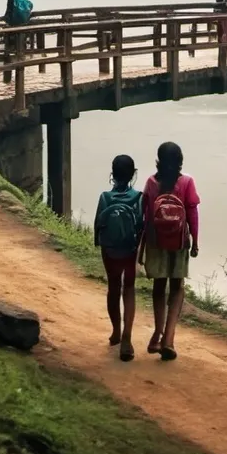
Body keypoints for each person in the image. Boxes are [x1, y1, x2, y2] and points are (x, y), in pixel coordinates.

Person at [139, 141, 199, 361]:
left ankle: (157, 333)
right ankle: (169, 339)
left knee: (159, 286)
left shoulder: (151, 183)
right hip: (179, 241)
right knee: (177, 287)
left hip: (157, 241)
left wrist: (144, 243)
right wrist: (196, 242)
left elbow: (145, 216)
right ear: (180, 160)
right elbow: (192, 214)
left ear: (159, 160)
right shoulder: (187, 182)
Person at [93, 154, 143, 362]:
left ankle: (115, 331)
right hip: (129, 250)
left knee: (113, 287)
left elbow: (98, 227)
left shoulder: (105, 197)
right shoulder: (138, 197)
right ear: (134, 174)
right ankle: (127, 338)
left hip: (111, 250)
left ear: (112, 174)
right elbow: (141, 226)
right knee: (128, 288)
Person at [3, 0, 32, 84]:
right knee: (20, 53)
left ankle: (8, 81)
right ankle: (21, 79)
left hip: (13, 28)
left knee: (9, 53)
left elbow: (8, 14)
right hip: (23, 28)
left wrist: (4, 21)